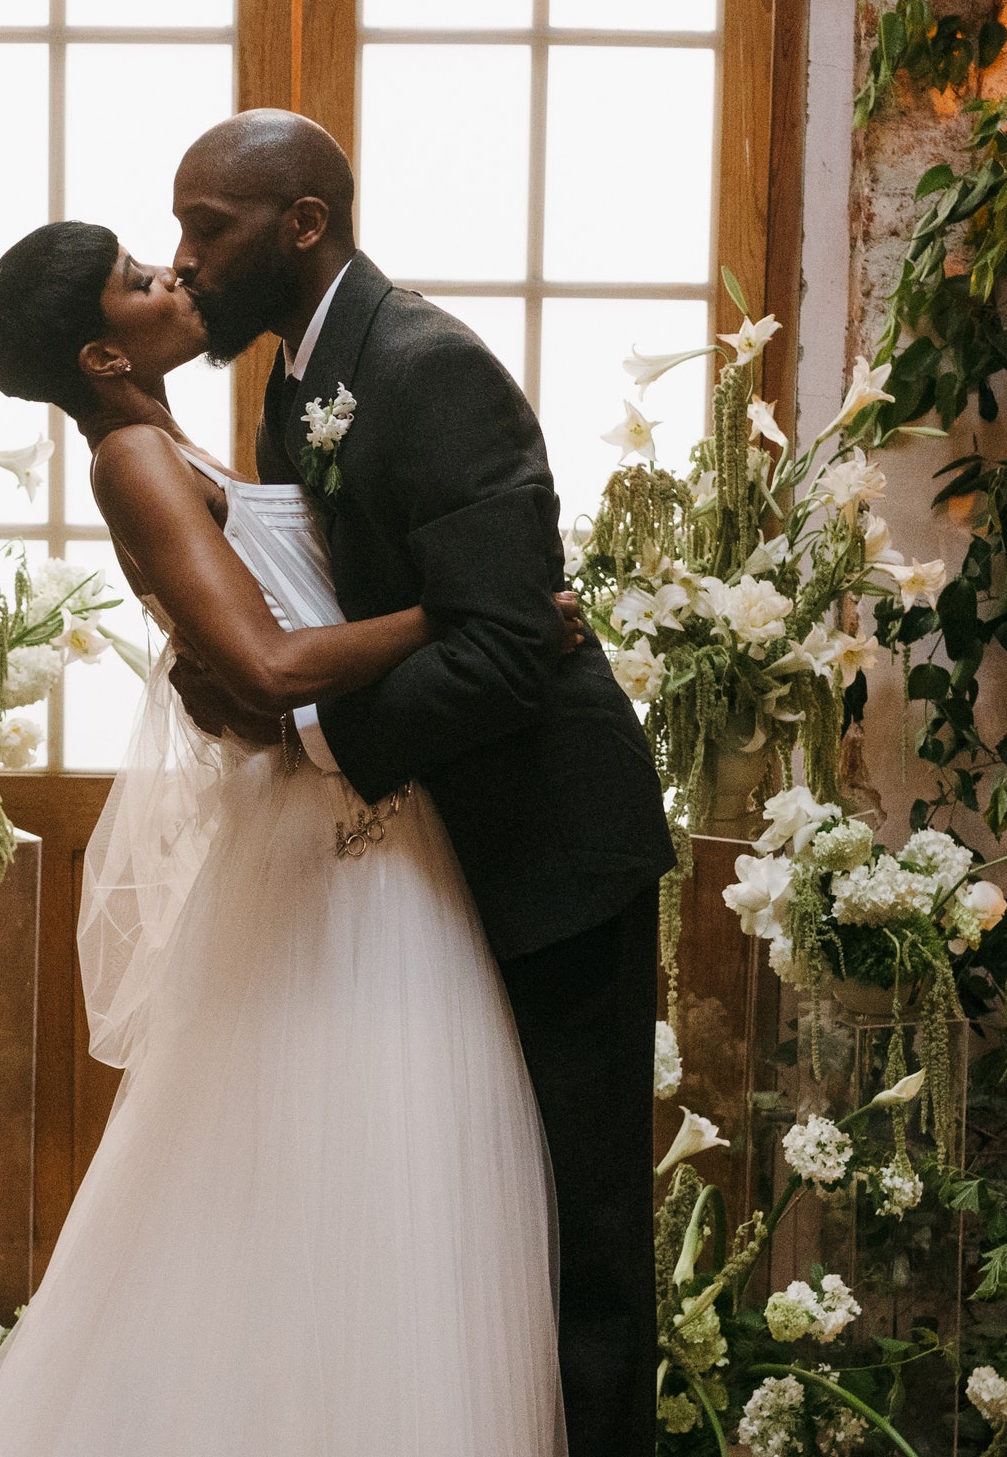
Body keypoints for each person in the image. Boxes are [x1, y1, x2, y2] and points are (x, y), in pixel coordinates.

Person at [0, 219, 568, 1455]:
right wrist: (467, 613)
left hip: (361, 823)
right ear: (101, 356)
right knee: (338, 1157)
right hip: (326, 848)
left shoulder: (173, 440)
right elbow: (270, 666)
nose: (171, 276)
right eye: (136, 278)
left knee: (354, 1190)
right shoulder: (134, 462)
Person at [167, 110, 676, 1457]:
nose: (185, 263)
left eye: (205, 230)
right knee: (473, 1215)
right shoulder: (295, 384)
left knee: (585, 1227)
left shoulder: (430, 367)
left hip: (557, 848)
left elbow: (514, 646)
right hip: (438, 855)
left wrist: (325, 739)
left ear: (304, 223)